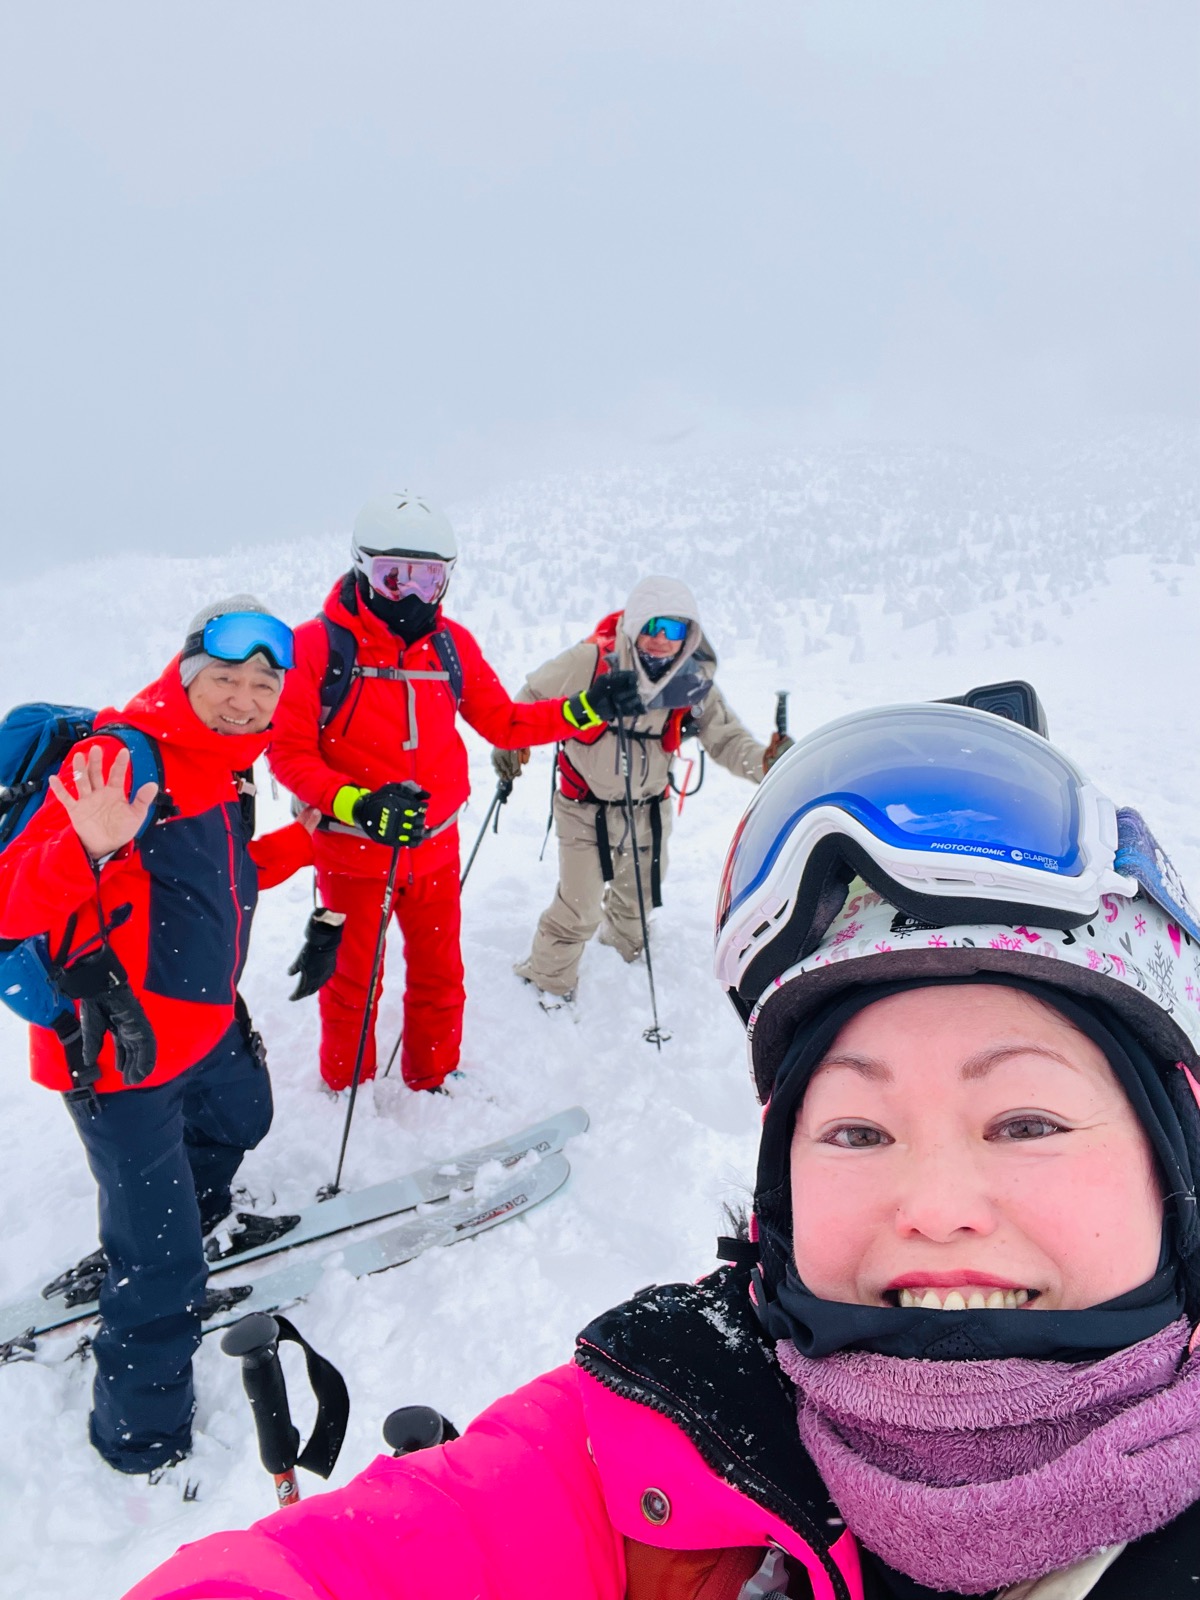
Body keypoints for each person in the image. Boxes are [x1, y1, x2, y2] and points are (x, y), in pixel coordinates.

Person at [127, 696, 1200, 1598]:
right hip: (556, 814)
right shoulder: (676, 1416)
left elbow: (716, 730)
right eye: (857, 1131)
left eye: (1026, 1123)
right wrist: (544, 728)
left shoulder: (686, 673)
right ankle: (530, 994)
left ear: (1175, 1155)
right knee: (568, 911)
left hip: (635, 813)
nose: (935, 1205)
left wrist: (750, 757)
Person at [0, 597, 318, 1476]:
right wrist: (85, 849)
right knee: (162, 1273)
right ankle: (139, 1441)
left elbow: (221, 878)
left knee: (243, 1117)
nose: (246, 699)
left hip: (203, 1026)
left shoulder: (224, 767)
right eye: (226, 678)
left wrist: (305, 841)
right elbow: (9, 904)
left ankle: (196, 1206)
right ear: (187, 676)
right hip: (117, 1055)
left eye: (264, 685)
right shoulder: (120, 759)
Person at [267, 492, 642, 1093]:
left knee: (440, 975)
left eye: (430, 577)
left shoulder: (450, 645)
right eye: (394, 577)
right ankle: (346, 1086)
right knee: (353, 981)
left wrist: (585, 708)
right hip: (352, 852)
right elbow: (288, 754)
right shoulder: (316, 647)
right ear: (362, 567)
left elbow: (505, 723)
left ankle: (433, 1077)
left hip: (434, 848)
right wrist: (357, 804)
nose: (412, 594)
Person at [495, 575, 791, 1004]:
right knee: (579, 906)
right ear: (634, 624)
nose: (660, 639)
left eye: (673, 628)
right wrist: (512, 743)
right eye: (652, 625)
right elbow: (530, 698)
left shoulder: (692, 681)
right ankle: (547, 981)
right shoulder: (591, 662)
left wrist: (766, 762)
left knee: (638, 900)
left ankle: (620, 958)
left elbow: (726, 740)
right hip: (583, 808)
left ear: (689, 635)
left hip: (649, 810)